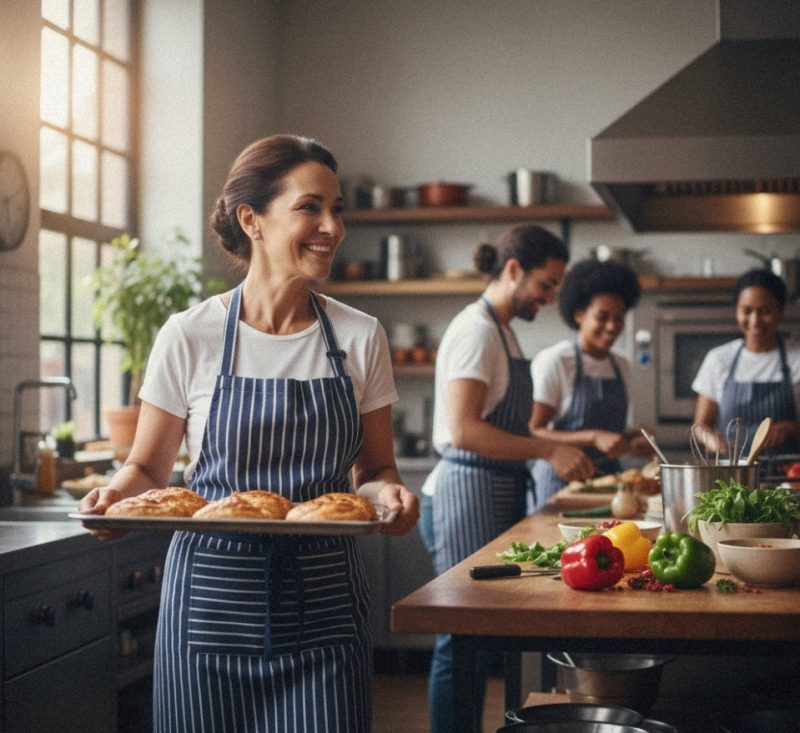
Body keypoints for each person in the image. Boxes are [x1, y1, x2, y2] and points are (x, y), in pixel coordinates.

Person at [79, 134, 419, 732]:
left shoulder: (360, 336)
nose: (331, 227)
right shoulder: (190, 334)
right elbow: (150, 472)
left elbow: (373, 469)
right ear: (251, 219)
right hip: (209, 608)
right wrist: (115, 495)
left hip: (325, 609)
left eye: (337, 209)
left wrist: (388, 495)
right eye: (309, 207)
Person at [418, 225, 594, 733]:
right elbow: (465, 429)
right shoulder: (476, 329)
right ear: (514, 269)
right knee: (460, 636)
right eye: (547, 282)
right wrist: (548, 448)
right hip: (463, 491)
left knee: (479, 640)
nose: (551, 296)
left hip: (493, 490)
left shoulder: (502, 330)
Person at [529, 258, 649, 510]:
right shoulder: (556, 361)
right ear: (579, 314)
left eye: (619, 318)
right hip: (560, 484)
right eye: (602, 317)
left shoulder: (622, 366)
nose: (612, 327)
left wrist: (632, 439)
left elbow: (611, 433)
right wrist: (594, 437)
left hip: (610, 488)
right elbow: (534, 430)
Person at [692, 267, 800, 458]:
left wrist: (788, 428)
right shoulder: (719, 359)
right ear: (736, 311)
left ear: (781, 311)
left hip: (785, 475)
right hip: (732, 475)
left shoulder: (796, 359)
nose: (755, 320)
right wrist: (713, 441)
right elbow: (700, 426)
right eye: (746, 311)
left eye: (765, 311)